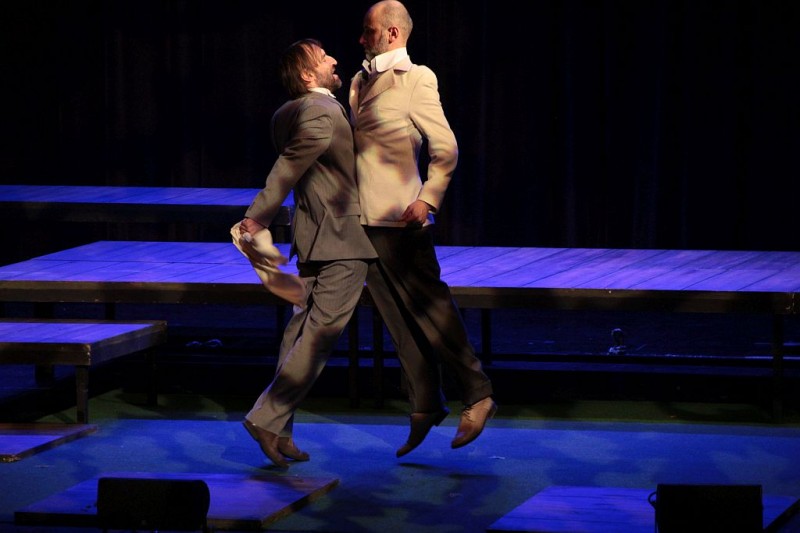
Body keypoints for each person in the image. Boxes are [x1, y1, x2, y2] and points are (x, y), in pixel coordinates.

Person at [349, 0, 496, 457]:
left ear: (392, 33)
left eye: (369, 30)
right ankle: (426, 403)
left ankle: (478, 393)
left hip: (400, 217)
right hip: (363, 218)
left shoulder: (416, 79)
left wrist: (427, 197)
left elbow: (445, 147)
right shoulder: (358, 81)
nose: (362, 38)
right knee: (397, 318)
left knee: (432, 308)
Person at [239, 38, 377, 468]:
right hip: (342, 239)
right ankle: (266, 418)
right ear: (307, 75)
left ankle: (280, 430)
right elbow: (292, 164)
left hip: (315, 236)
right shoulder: (321, 110)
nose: (334, 59)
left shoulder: (288, 113)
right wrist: (257, 216)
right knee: (319, 335)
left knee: (299, 333)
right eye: (323, 58)